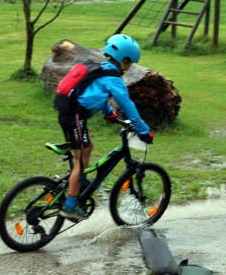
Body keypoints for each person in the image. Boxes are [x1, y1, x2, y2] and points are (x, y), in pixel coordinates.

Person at [57, 34, 154, 220]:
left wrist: (109, 113)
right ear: (125, 61)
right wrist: (142, 130)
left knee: (88, 148)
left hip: (68, 111)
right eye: (131, 63)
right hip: (75, 114)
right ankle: (70, 205)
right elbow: (127, 105)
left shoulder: (100, 68)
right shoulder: (113, 77)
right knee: (80, 161)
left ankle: (80, 183)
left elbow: (95, 95)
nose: (130, 67)